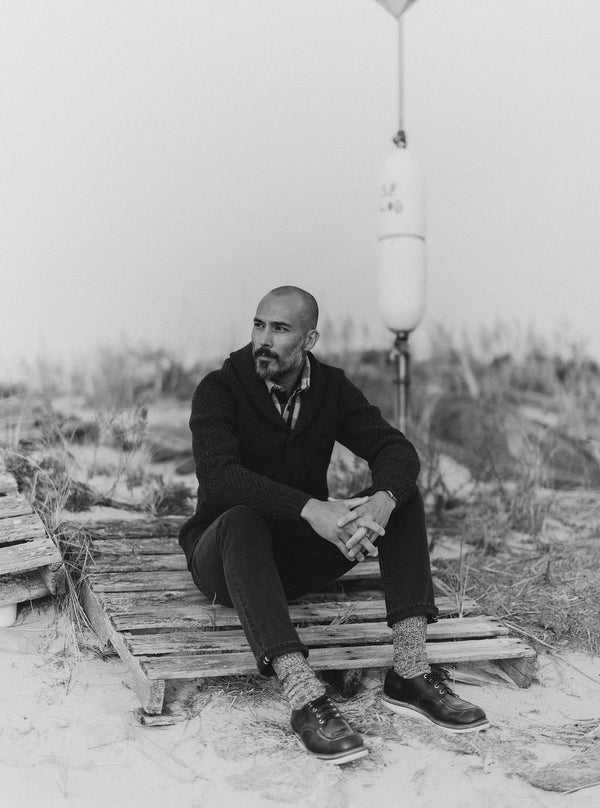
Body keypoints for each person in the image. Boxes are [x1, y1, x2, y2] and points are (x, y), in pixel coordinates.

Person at [179, 285, 488, 764]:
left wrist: (382, 500)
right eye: (259, 324)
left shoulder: (330, 389)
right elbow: (220, 481)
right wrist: (310, 508)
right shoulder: (220, 389)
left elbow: (395, 450)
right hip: (225, 560)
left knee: (402, 498)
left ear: (310, 339)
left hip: (295, 559)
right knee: (241, 519)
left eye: (280, 329)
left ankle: (409, 673)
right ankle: (304, 696)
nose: (264, 338)